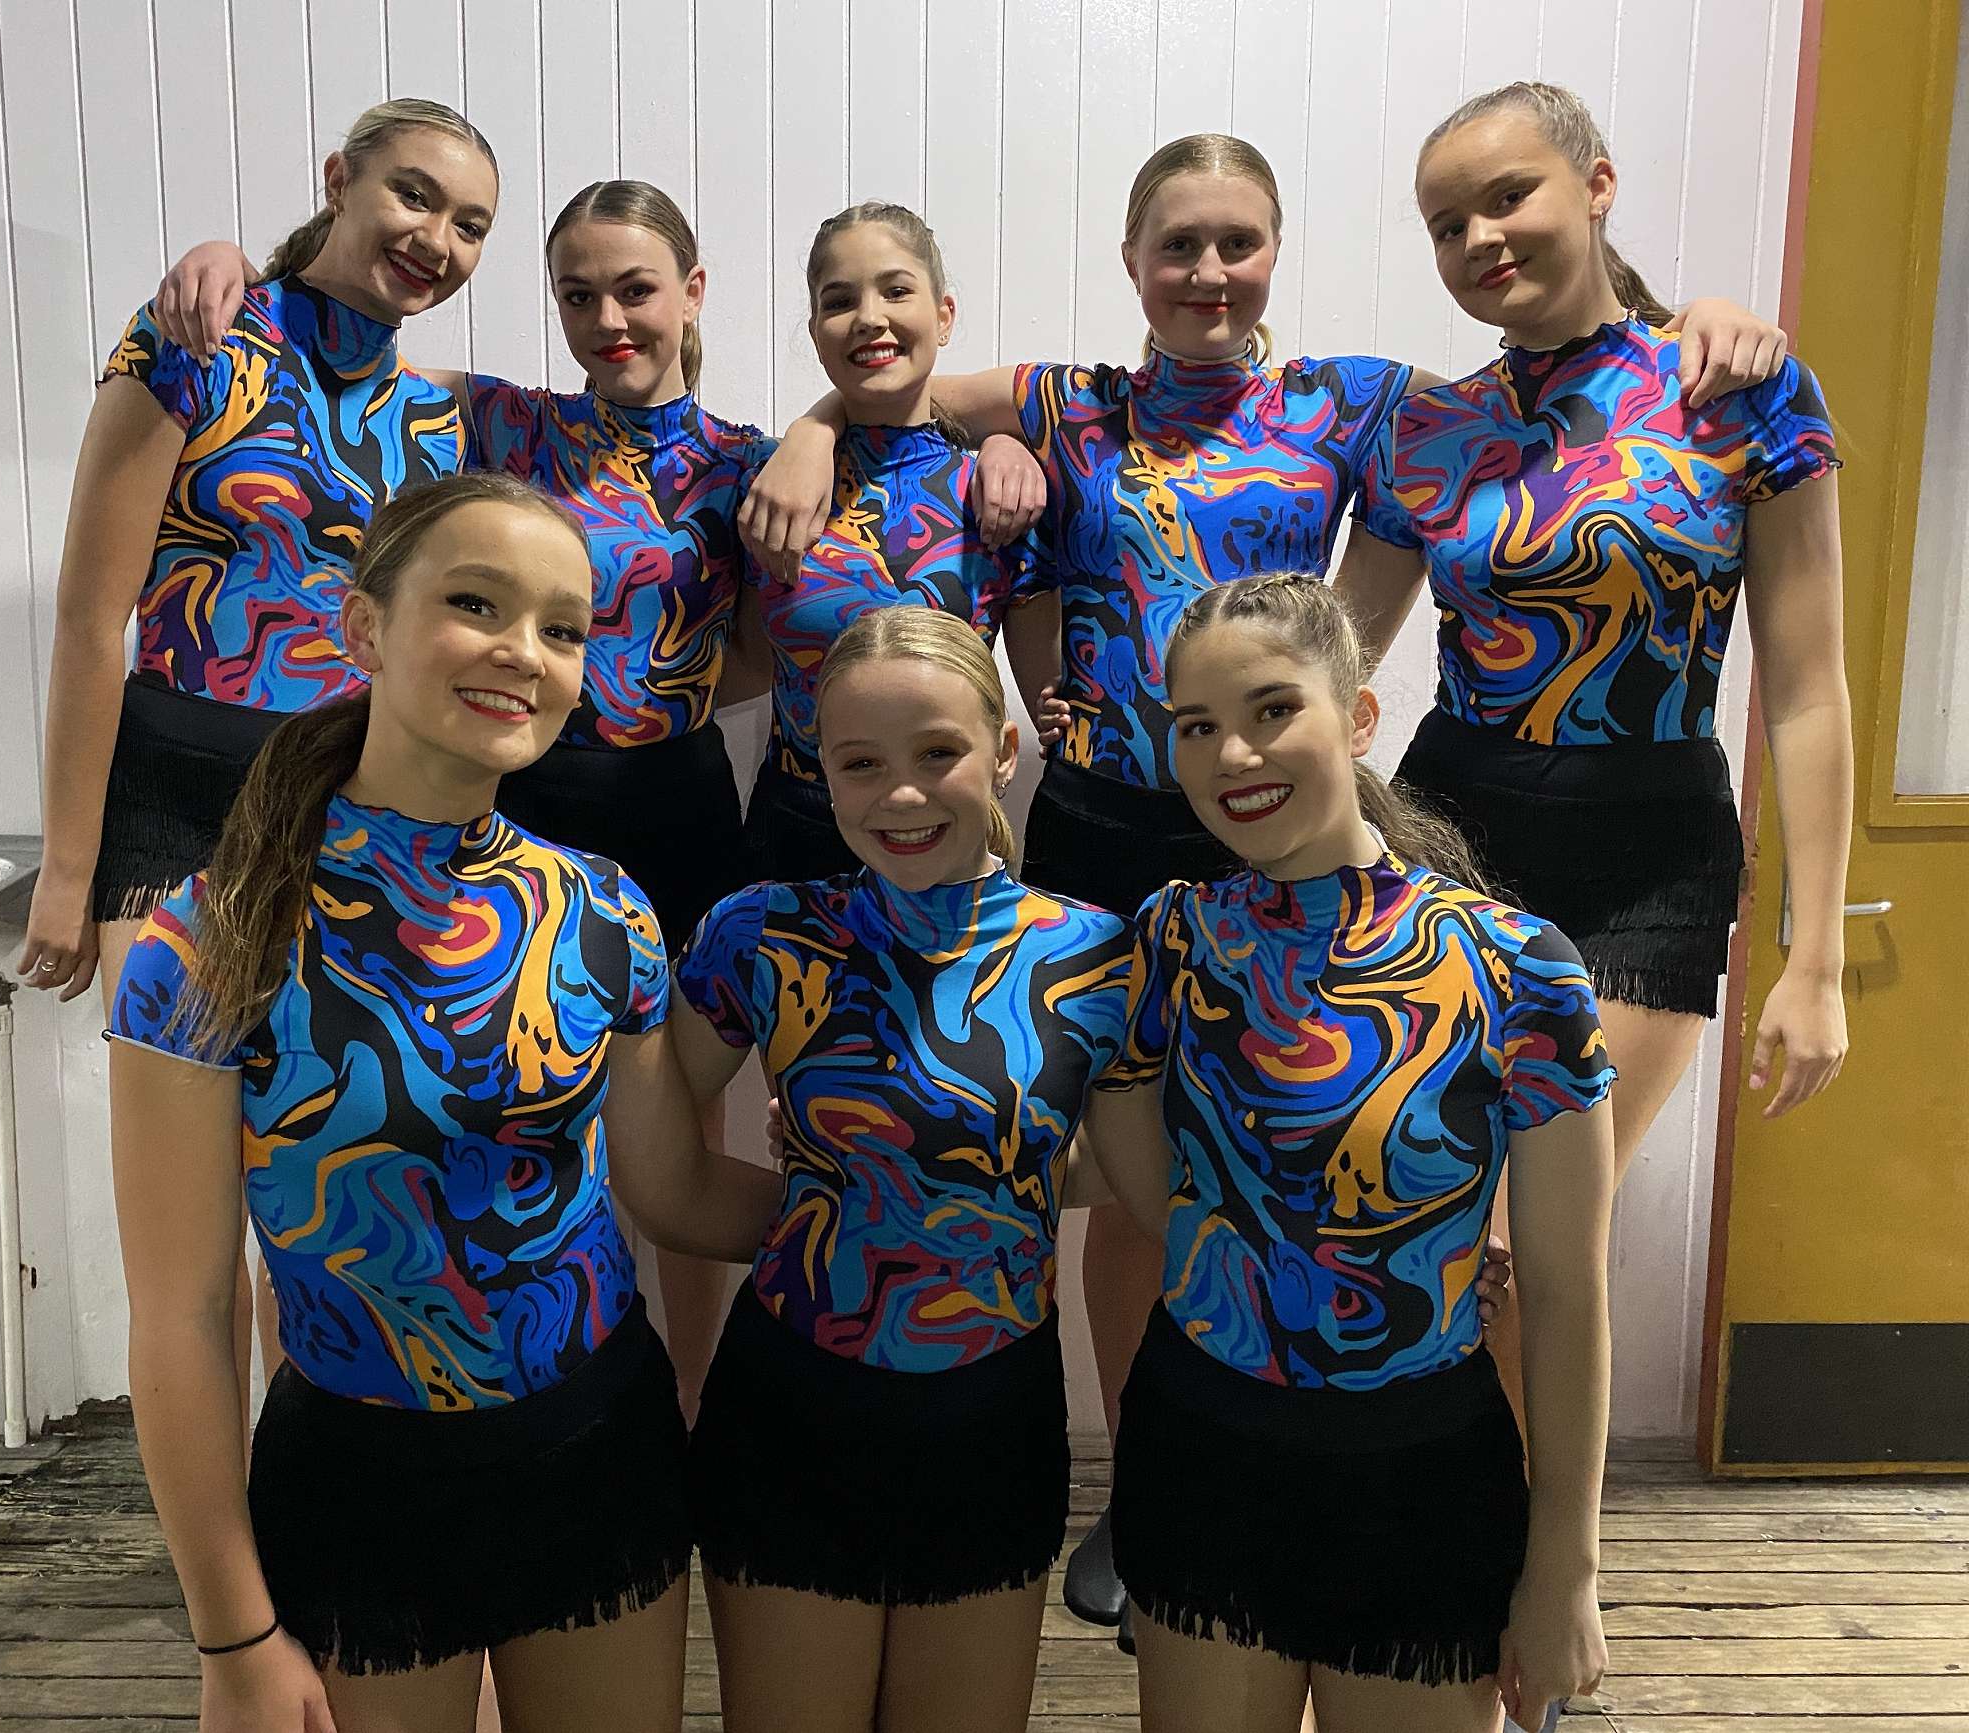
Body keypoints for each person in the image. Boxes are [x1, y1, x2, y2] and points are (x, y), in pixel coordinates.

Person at [738, 130, 1776, 1633]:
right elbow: (894, 376)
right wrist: (807, 432)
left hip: (1270, 824)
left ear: (1277, 250)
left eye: (1237, 242)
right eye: (1178, 245)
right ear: (1132, 262)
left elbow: (1553, 375)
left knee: (1363, 1173)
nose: (1208, 272)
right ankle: (1143, 1480)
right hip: (1102, 823)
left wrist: (1700, 323)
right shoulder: (1069, 403)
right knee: (1133, 1180)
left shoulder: (1350, 401)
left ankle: (1478, 1522)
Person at [106, 472, 745, 1731]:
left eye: (563, 628)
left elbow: (672, 1187)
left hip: (598, 1453)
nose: (523, 651)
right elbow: (181, 1316)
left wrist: (895, 1206)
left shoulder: (604, 911)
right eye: (475, 603)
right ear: (364, 628)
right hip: (358, 1486)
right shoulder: (209, 939)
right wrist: (233, 1633)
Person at [147, 178, 777, 1411]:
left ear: (692, 292)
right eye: (578, 296)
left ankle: (687, 1405)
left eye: (635, 290)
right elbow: (338, 348)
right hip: (525, 795)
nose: (608, 320)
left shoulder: (749, 463)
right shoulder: (502, 421)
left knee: (677, 1124)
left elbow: (762, 641)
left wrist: (667, 679)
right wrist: (239, 262)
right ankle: (326, 1395)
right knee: (411, 1096)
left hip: (680, 800)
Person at [1083, 574, 1615, 1733]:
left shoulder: (1518, 969)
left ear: (1358, 716)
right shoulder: (1171, 940)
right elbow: (1154, 1191)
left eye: (1271, 709)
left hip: (1421, 1486)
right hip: (1202, 1458)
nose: (1231, 754)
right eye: (1195, 725)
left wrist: (1563, 1568)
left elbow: (1566, 1290)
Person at [1345, 82, 1850, 1192]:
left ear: (1596, 184)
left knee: (1542, 1224)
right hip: (1450, 834)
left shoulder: (1738, 393)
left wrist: (1815, 957)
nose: (1479, 238)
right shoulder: (1428, 429)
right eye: (1446, 225)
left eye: (1507, 196)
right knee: (1430, 1207)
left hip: (1649, 850)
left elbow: (1808, 691)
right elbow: (1336, 669)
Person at [653, 609, 1137, 1733]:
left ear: (1004, 752)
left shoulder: (1093, 955)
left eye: (937, 752)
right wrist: (820, 1208)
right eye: (860, 762)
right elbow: (656, 1141)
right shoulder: (761, 935)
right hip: (793, 1412)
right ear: (818, 769)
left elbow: (1118, 1166)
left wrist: (949, 1182)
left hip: (994, 1422)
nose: (901, 793)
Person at [22, 97, 496, 1008]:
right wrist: (67, 869)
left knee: (324, 1100)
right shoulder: (191, 339)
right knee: (173, 1088)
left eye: (469, 226)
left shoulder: (441, 418)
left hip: (354, 805)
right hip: (177, 799)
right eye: (414, 195)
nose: (437, 239)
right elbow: (88, 620)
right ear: (338, 181)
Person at [739, 202, 1043, 884]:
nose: (869, 316)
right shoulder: (767, 481)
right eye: (839, 300)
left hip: (942, 824)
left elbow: (1048, 695)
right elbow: (737, 655)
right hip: (796, 829)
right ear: (816, 332)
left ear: (944, 314)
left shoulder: (998, 490)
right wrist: (811, 431)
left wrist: (1008, 442)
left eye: (896, 290)